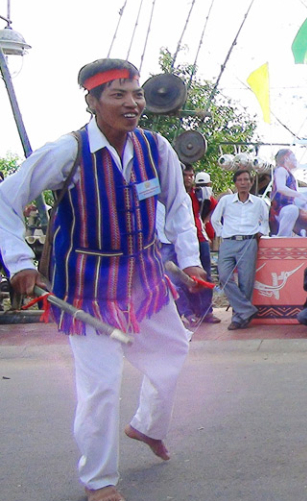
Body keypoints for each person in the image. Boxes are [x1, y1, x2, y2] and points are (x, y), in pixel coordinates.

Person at [0, 58, 207, 501]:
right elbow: (5, 200)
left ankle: (146, 426)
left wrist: (189, 261)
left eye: (135, 93)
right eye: (118, 95)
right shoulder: (67, 152)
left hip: (147, 283)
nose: (132, 103)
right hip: (89, 291)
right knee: (101, 388)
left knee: (173, 350)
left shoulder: (157, 148)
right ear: (92, 102)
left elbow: (178, 207)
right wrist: (19, 261)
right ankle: (100, 483)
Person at [210, 169, 270, 330]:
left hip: (249, 241)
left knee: (246, 281)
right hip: (229, 242)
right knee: (224, 276)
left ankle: (239, 319)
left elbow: (265, 221)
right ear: (235, 183)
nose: (243, 183)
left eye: (246, 180)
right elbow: (215, 219)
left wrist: (259, 233)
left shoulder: (258, 202)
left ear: (251, 183)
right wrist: (222, 233)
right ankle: (247, 310)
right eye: (240, 180)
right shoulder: (226, 201)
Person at [177, 164, 219, 325]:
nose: (188, 178)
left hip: (199, 238)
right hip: (180, 241)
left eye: (190, 175)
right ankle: (189, 312)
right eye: (185, 175)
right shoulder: (173, 194)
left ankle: (207, 312)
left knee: (204, 274)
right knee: (183, 278)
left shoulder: (200, 195)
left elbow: (213, 207)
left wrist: (204, 222)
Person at [269, 148, 306, 236]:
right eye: (293, 156)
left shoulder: (289, 174)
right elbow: (280, 187)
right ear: (286, 158)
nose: (295, 159)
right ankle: (282, 238)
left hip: (284, 211)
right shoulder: (281, 170)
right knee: (292, 210)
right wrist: (299, 195)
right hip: (280, 211)